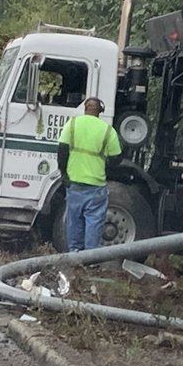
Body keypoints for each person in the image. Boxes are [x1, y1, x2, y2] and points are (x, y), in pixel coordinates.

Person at [56, 97, 123, 251]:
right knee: (94, 223)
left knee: (74, 221)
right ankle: (91, 260)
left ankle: (75, 254)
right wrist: (105, 166)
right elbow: (116, 157)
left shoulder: (72, 125)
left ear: (85, 109)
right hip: (96, 185)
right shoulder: (107, 130)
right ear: (100, 111)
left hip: (75, 183)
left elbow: (62, 151)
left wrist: (64, 174)